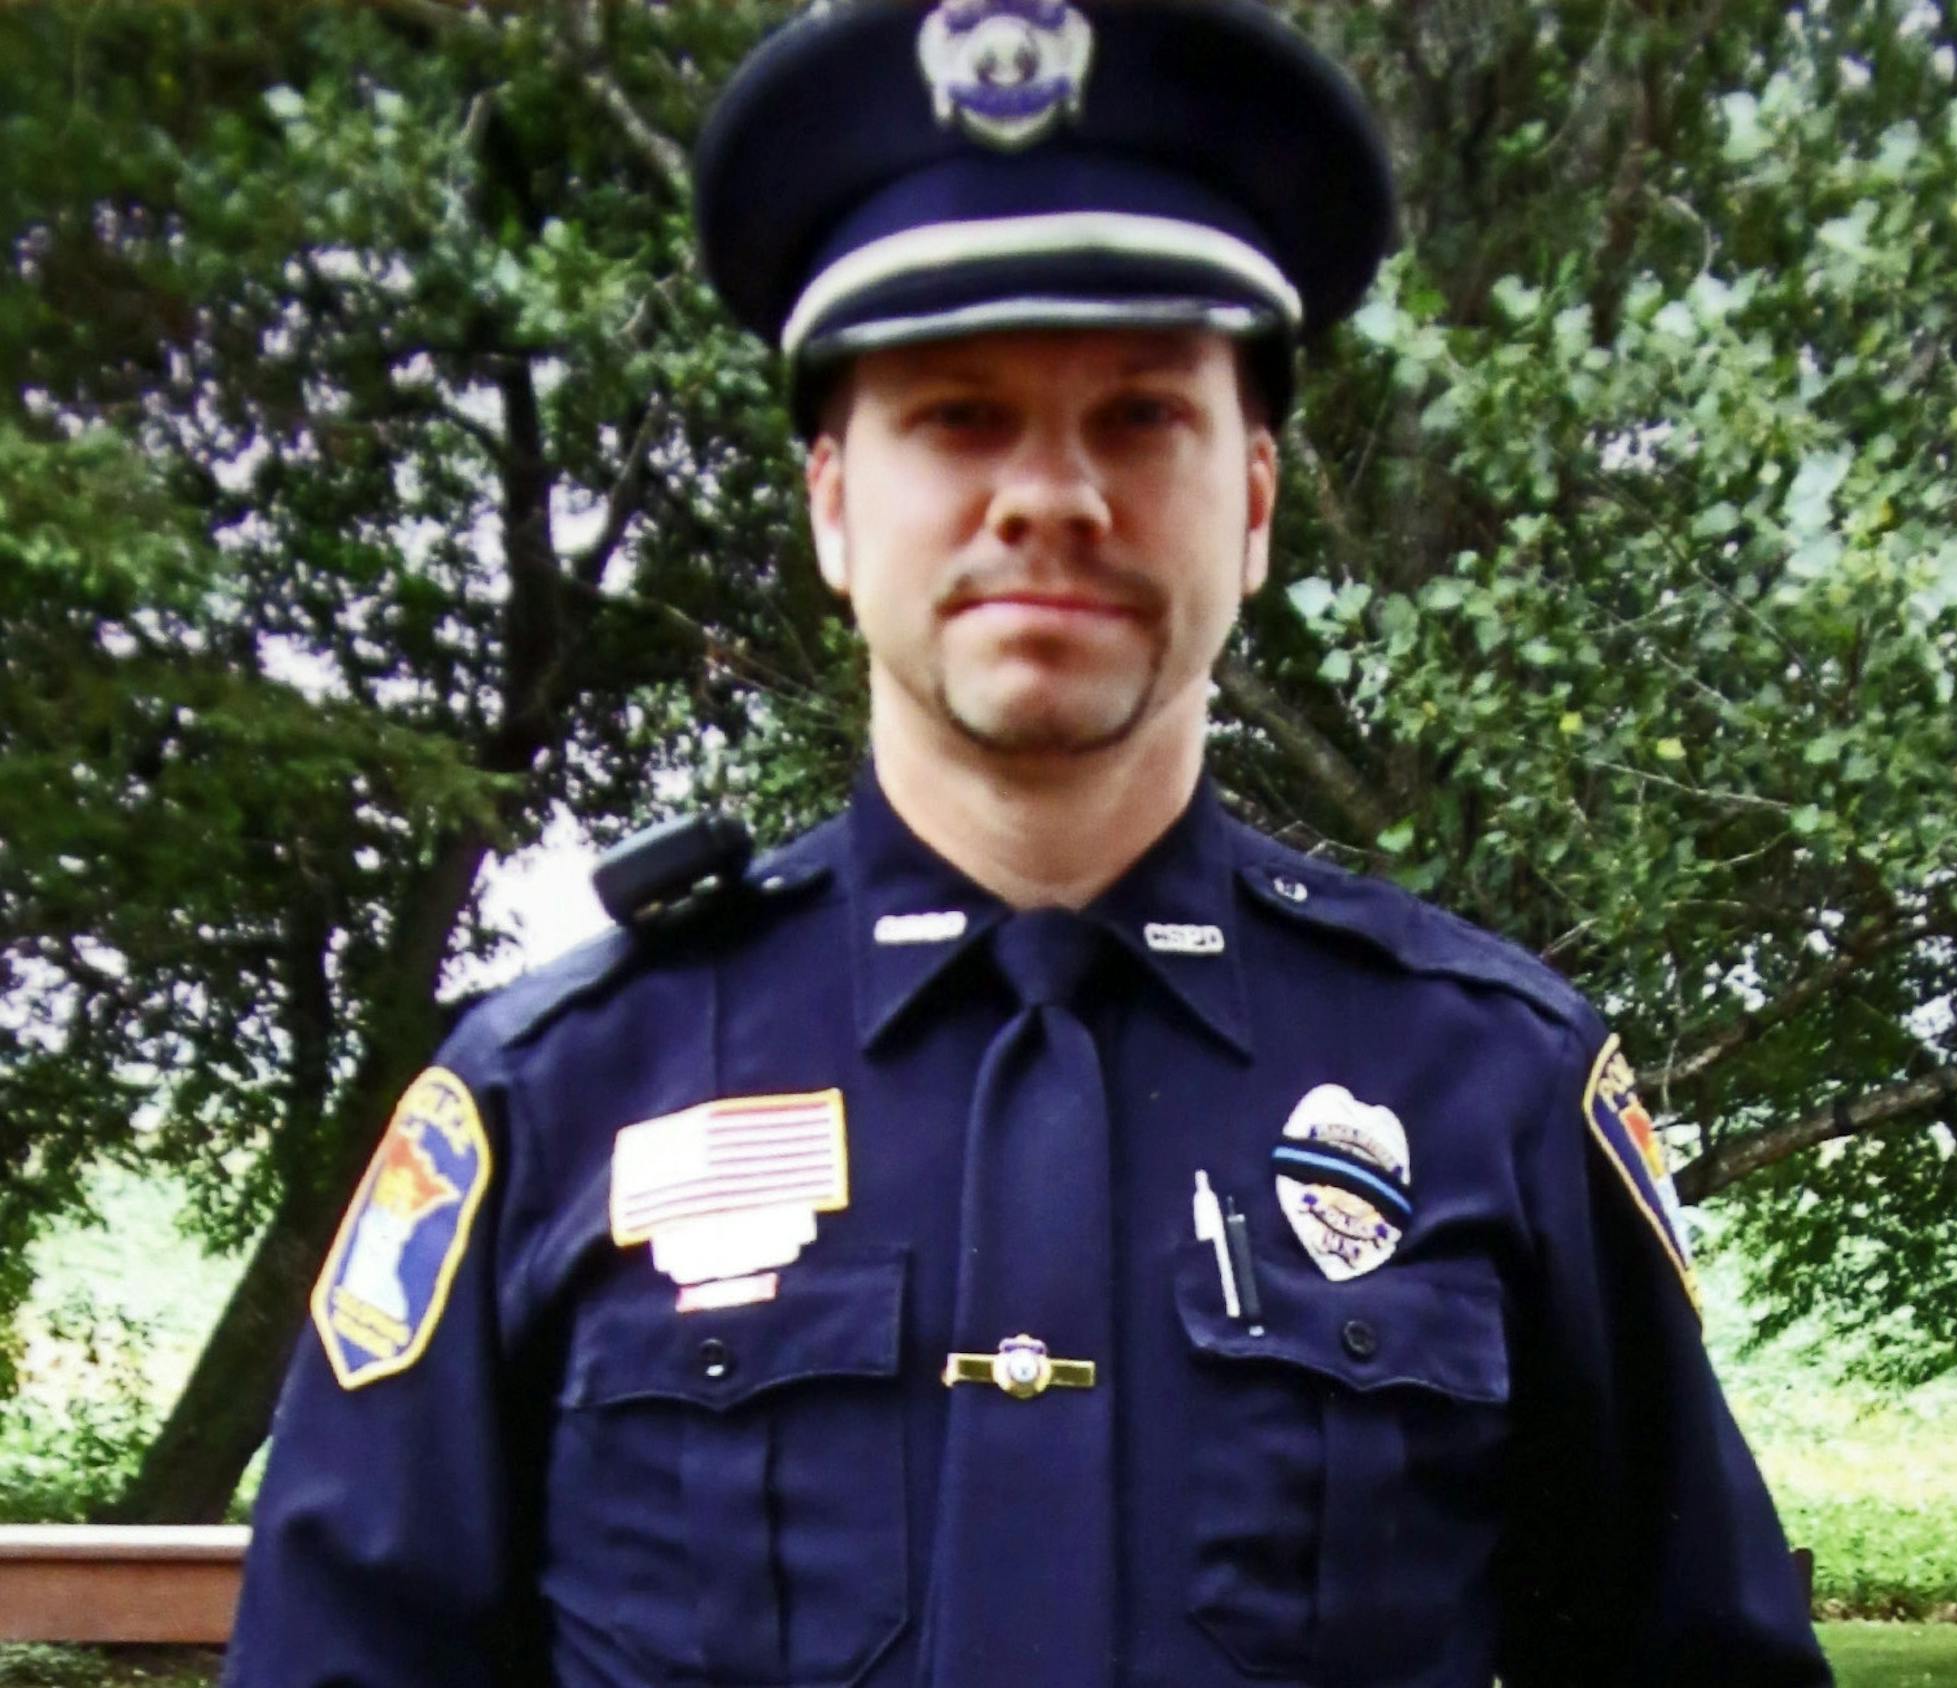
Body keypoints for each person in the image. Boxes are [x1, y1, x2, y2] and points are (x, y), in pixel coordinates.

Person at [225, 3, 1833, 1684]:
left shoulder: (1487, 1091)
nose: (1051, 494)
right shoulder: (556, 1098)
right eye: (961, 416)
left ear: (1259, 501)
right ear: (835, 503)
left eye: (1141, 417)